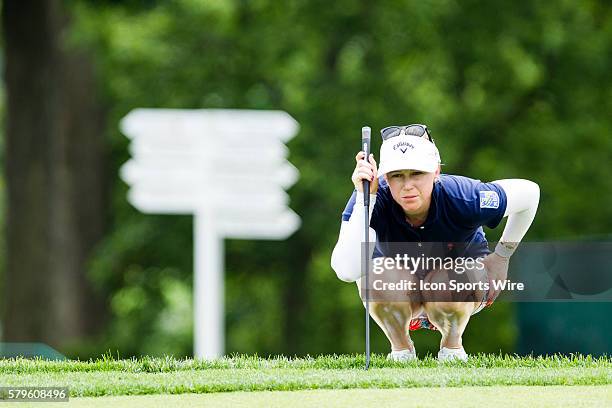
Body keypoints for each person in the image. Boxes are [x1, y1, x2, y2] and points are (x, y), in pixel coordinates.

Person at [331, 124, 539, 361]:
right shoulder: (368, 197)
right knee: (375, 275)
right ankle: (401, 352)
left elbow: (530, 194)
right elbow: (347, 271)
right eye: (397, 175)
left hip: (457, 291)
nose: (408, 185)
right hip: (398, 292)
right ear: (384, 177)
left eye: (417, 173)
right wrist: (364, 198)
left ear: (436, 171)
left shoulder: (465, 196)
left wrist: (502, 256)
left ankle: (452, 348)